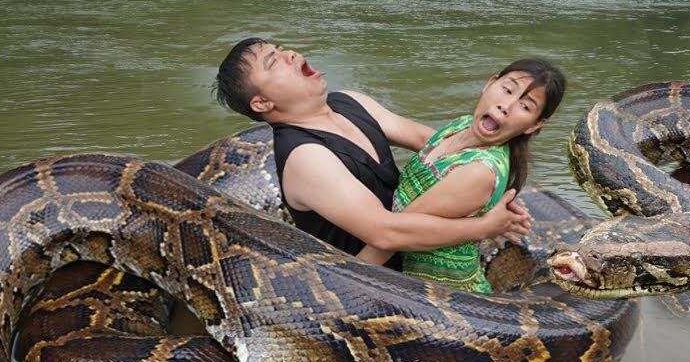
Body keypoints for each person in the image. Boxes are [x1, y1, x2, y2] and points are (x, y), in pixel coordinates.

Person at [213, 38, 531, 270]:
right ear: (262, 103)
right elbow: (386, 233)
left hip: (419, 253)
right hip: (370, 285)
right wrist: (486, 227)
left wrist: (493, 185)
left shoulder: (350, 101)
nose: (290, 54)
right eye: (274, 61)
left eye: (283, 49)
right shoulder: (305, 157)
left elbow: (432, 142)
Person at [357, 59, 565, 293]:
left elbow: (392, 237)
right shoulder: (461, 126)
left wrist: (347, 282)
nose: (505, 105)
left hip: (442, 296)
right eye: (507, 89)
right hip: (406, 273)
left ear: (533, 126)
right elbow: (419, 145)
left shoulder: (478, 172)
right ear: (490, 83)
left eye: (525, 106)